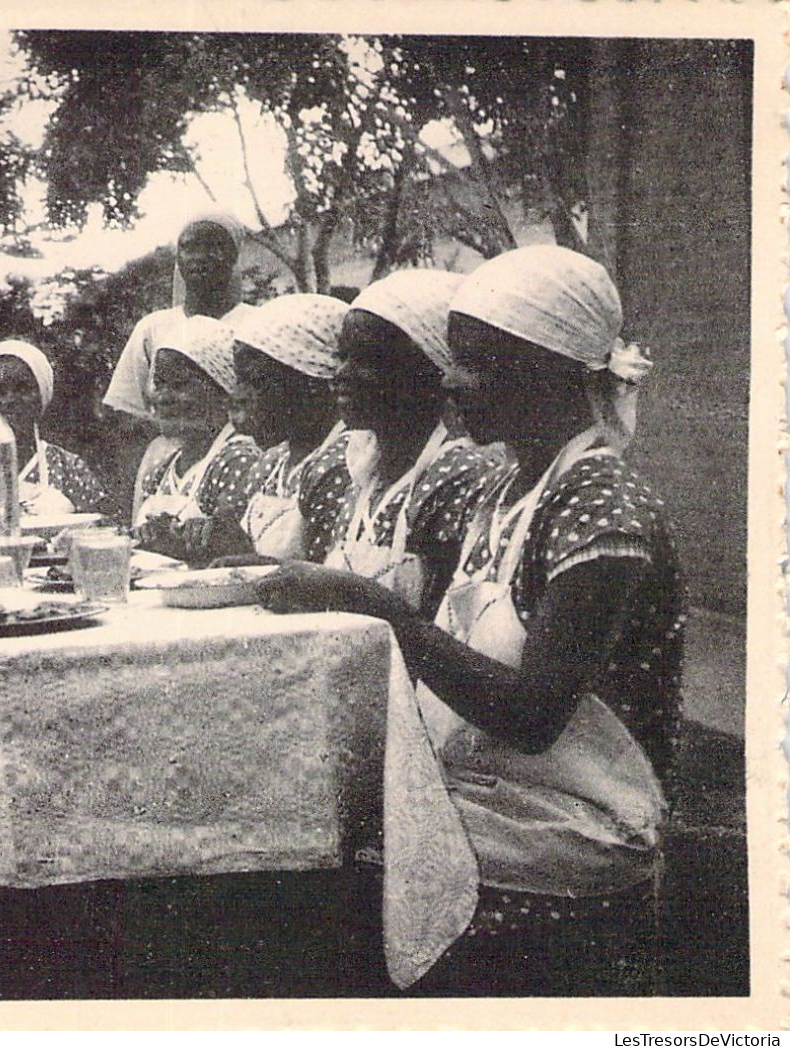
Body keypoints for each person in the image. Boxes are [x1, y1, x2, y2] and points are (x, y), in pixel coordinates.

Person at [242, 245, 680, 994]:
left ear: (550, 369)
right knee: (280, 817)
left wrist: (372, 605)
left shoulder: (600, 503)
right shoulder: (510, 488)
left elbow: (533, 716)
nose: (449, 379)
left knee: (317, 873)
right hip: (495, 790)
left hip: (579, 821)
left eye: (473, 360)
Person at [323, 270, 510, 613]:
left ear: (430, 369)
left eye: (367, 359)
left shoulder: (459, 478)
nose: (341, 375)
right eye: (342, 357)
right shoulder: (365, 469)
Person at [103, 208, 258, 521]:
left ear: (234, 255)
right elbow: (127, 417)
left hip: (239, 462)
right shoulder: (153, 328)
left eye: (214, 246)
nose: (200, 257)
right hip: (166, 468)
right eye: (189, 247)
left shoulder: (257, 324)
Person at [204, 294, 353, 564]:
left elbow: (327, 579)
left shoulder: (342, 463)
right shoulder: (271, 463)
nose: (239, 395)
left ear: (312, 381)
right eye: (240, 381)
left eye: (257, 382)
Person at [0, 340, 111, 516]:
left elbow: (101, 530)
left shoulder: (68, 468)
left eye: (22, 389)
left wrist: (68, 511)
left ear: (41, 399)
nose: (9, 400)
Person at [130, 315, 246, 561]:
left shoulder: (237, 461)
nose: (163, 397)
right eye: (159, 383)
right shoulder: (163, 469)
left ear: (222, 389)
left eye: (180, 385)